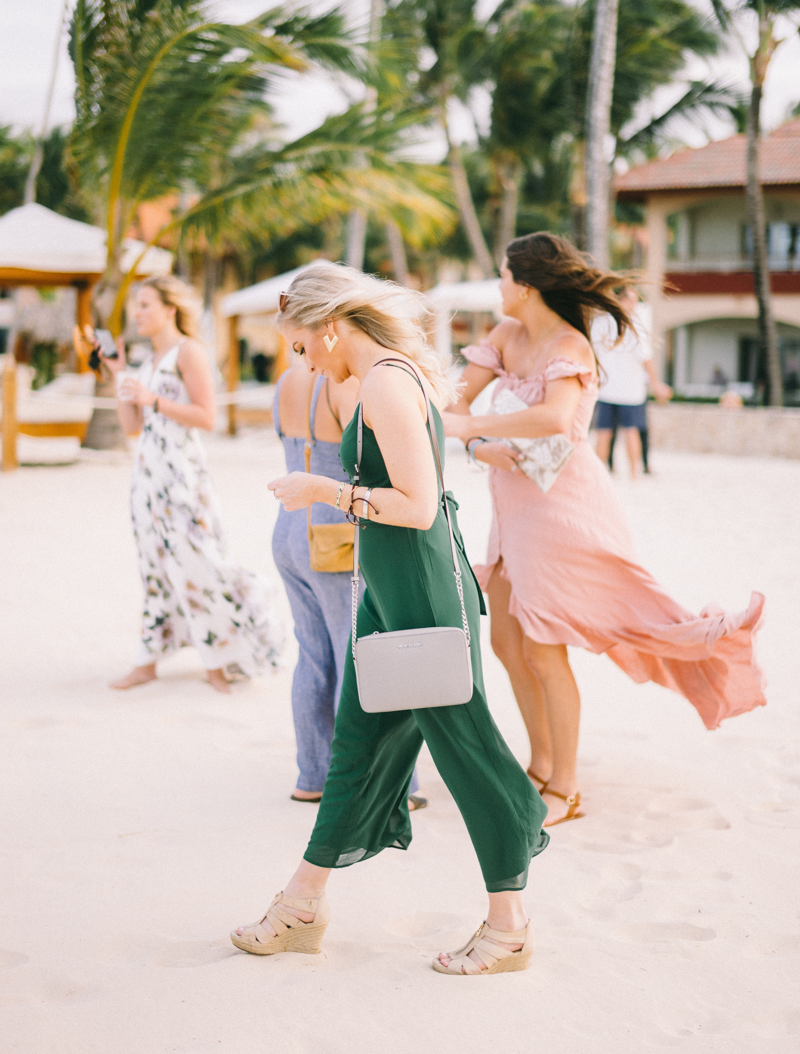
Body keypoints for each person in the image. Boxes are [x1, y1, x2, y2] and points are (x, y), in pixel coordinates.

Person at [231, 262, 548, 977]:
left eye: (302, 346)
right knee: (356, 748)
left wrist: (322, 488)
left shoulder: (383, 382)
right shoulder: (380, 377)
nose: (301, 361)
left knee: (471, 757)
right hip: (391, 591)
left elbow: (418, 503)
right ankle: (301, 905)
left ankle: (511, 926)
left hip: (423, 598)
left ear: (332, 328)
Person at [443, 233, 765, 827]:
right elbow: (454, 403)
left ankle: (565, 787)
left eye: (504, 277)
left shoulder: (570, 345)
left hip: (562, 510)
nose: (498, 287)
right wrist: (468, 431)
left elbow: (555, 418)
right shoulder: (505, 336)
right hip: (513, 506)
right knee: (505, 642)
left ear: (529, 286)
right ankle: (539, 766)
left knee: (542, 646)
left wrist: (471, 429)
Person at [105, 275, 284, 693]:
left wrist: (156, 401)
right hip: (148, 480)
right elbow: (132, 426)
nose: (138, 313)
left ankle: (218, 662)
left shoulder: (189, 352)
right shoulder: (148, 362)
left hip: (183, 479)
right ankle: (148, 660)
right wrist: (118, 375)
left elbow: (207, 416)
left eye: (146, 304)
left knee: (199, 562)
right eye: (137, 305)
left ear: (170, 309)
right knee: (154, 566)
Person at [272, 360, 426, 808]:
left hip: (288, 530)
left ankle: (313, 774)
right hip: (335, 535)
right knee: (356, 655)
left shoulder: (286, 381)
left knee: (313, 656)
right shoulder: (344, 385)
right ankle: (372, 782)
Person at [592, 287, 672, 477]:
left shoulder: (599, 324)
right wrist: (655, 383)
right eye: (632, 300)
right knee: (631, 432)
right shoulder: (635, 325)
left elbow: (592, 355)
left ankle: (596, 475)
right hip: (631, 390)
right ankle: (634, 475)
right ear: (621, 300)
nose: (635, 305)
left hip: (606, 388)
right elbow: (646, 358)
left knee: (604, 432)